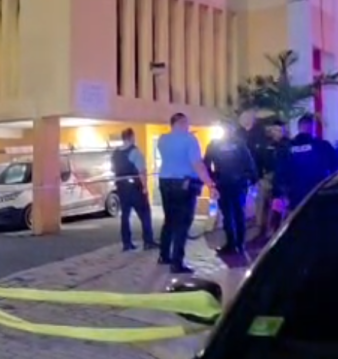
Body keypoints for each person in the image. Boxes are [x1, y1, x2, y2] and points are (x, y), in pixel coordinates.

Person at [157, 113, 219, 274]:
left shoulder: (162, 140)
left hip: (164, 182)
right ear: (182, 122)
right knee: (182, 224)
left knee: (169, 220)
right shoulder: (190, 140)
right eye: (187, 123)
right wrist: (210, 184)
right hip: (184, 184)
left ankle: (164, 255)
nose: (188, 126)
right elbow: (197, 164)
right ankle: (177, 263)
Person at [271, 114, 338, 230]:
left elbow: (279, 172)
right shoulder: (322, 145)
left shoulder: (287, 147)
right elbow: (336, 168)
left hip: (295, 194)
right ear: (313, 127)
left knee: (298, 225)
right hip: (317, 192)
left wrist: (278, 195)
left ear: (299, 127)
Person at [204, 120, 258, 255]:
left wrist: (213, 178)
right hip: (231, 183)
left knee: (231, 214)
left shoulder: (219, 144)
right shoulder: (235, 144)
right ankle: (237, 244)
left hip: (230, 183)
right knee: (235, 213)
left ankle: (235, 243)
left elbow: (206, 164)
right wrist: (249, 178)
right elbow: (249, 163)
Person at [110, 128, 157, 252]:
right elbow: (142, 171)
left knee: (125, 216)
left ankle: (126, 243)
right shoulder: (135, 152)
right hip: (135, 188)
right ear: (131, 137)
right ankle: (148, 241)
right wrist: (145, 188)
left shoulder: (115, 153)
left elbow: (114, 169)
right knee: (145, 213)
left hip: (121, 187)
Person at [257, 118, 289, 241]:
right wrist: (259, 177)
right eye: (275, 130)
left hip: (281, 180)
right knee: (263, 207)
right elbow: (259, 160)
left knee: (278, 208)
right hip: (267, 178)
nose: (277, 133)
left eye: (280, 130)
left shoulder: (287, 145)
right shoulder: (266, 144)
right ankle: (262, 232)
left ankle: (276, 233)